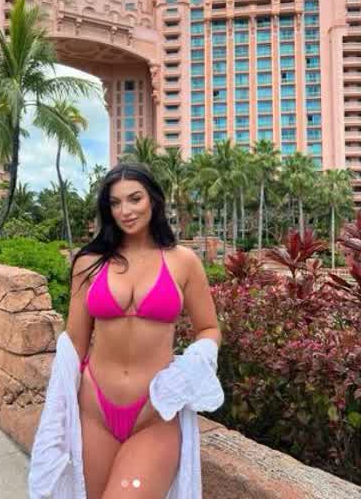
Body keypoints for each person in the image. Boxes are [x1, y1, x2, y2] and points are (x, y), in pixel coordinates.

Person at [29, 162, 223, 498]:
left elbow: (208, 328)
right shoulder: (90, 263)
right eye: (115, 203)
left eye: (135, 199)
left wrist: (191, 367)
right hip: (94, 411)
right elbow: (75, 341)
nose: (126, 211)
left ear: (153, 200)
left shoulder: (183, 261)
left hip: (155, 412)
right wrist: (59, 411)